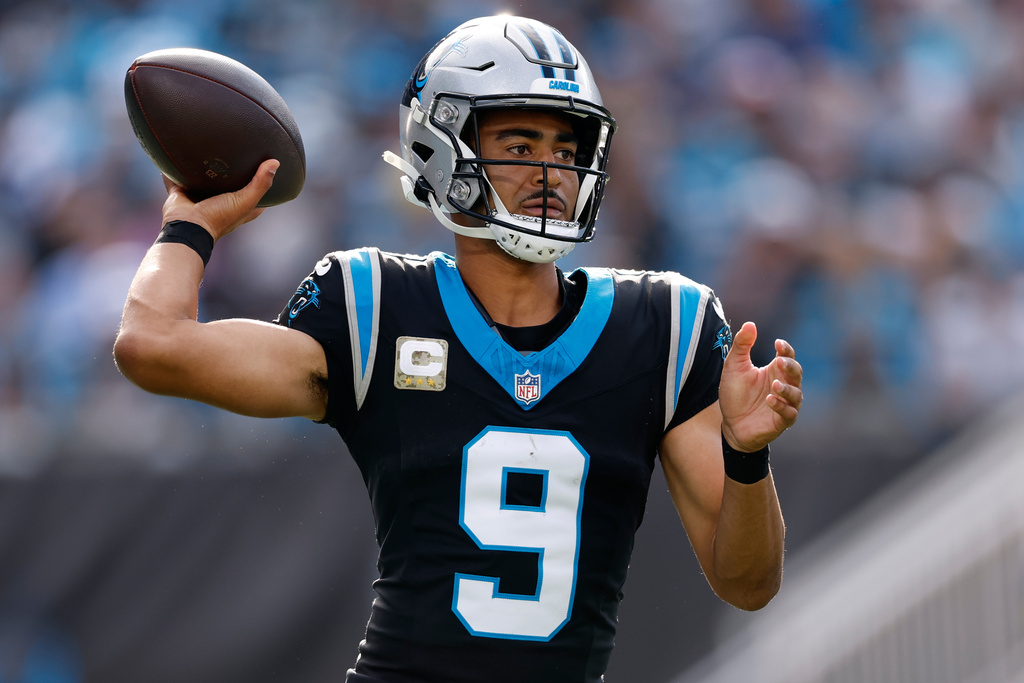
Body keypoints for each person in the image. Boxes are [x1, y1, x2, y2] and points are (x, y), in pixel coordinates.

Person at [114, 15, 802, 683]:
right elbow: (152, 344)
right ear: (440, 148)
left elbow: (748, 584)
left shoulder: (663, 324)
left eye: (567, 150)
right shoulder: (374, 304)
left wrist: (747, 455)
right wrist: (189, 225)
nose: (551, 172)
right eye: (521, 146)